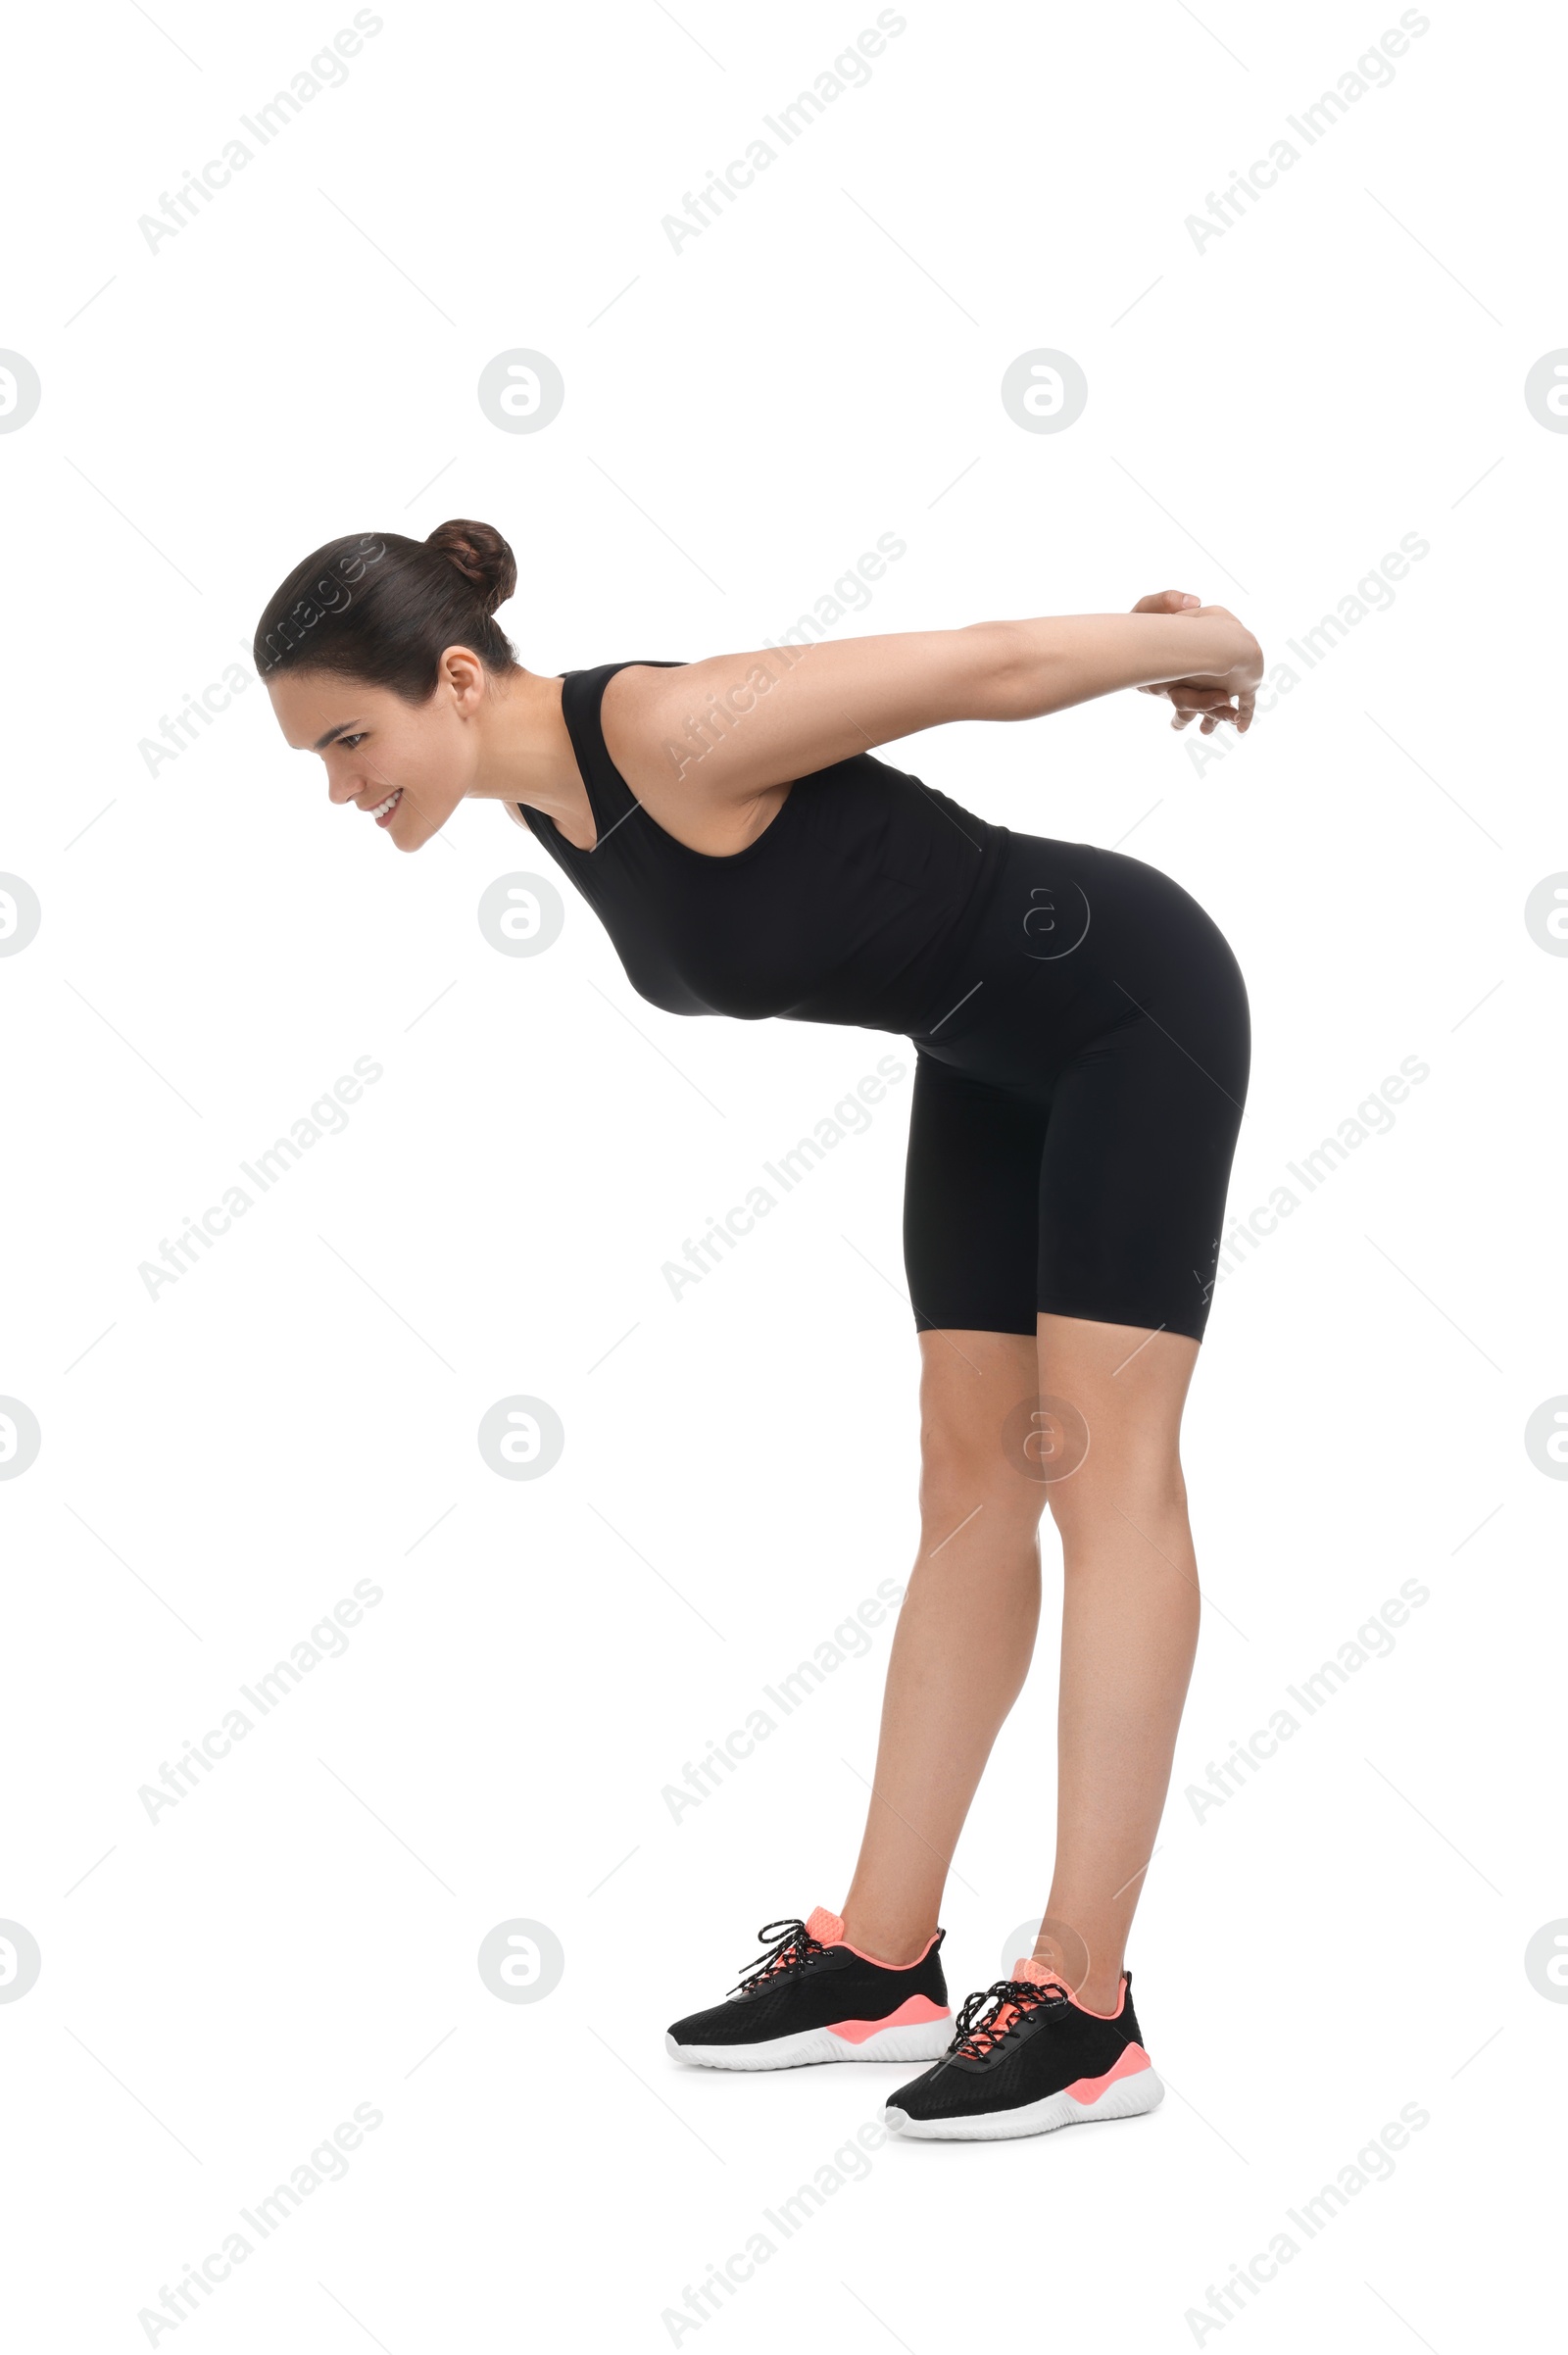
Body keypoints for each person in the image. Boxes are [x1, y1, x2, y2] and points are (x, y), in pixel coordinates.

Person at [255, 519, 1258, 2143]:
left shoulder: (664, 728)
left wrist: (1208, 647)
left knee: (1103, 1466)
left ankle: (1087, 2004)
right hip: (986, 1054)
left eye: (349, 741)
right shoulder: (528, 787)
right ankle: (883, 1955)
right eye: (314, 757)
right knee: (966, 1482)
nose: (339, 787)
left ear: (455, 678)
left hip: (1127, 1003)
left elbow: (982, 670)